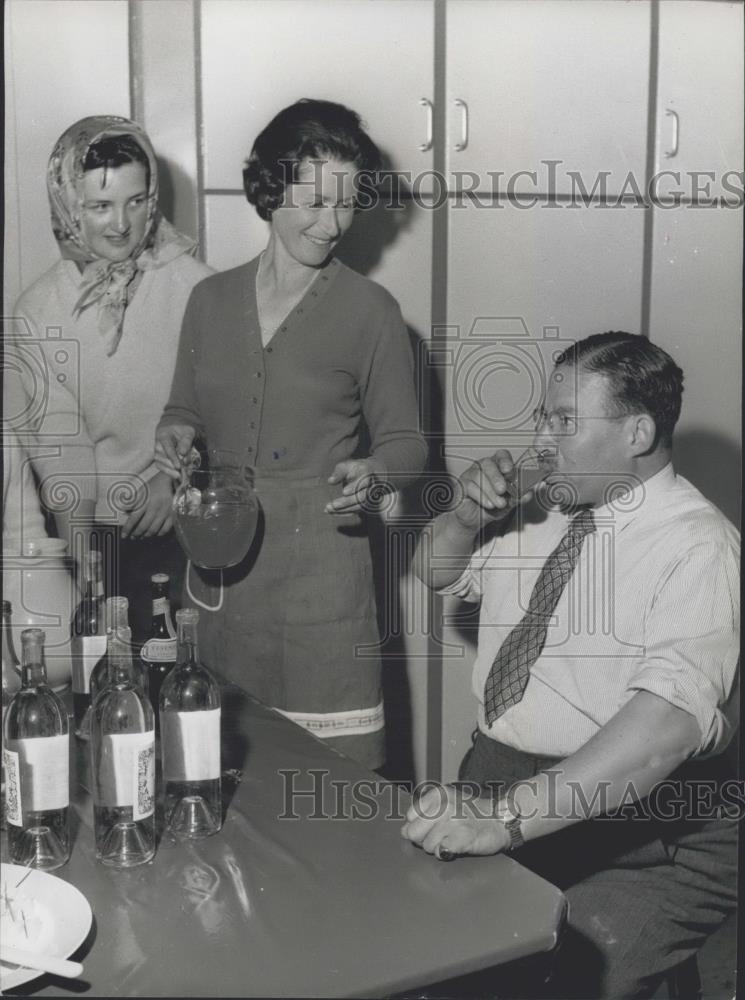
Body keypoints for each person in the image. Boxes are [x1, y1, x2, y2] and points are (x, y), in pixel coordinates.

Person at [402, 332, 739, 998]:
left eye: (563, 422)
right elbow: (429, 569)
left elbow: (659, 734)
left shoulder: (700, 547)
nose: (540, 441)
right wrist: (464, 517)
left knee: (551, 983)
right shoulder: (539, 506)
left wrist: (504, 820)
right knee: (421, 959)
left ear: (637, 433)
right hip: (505, 784)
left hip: (649, 836)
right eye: (541, 419)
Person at [155, 99, 426, 769]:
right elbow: (182, 408)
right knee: (218, 770)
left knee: (332, 790)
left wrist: (377, 472)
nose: (331, 223)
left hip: (322, 581)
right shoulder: (208, 302)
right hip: (222, 571)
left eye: (346, 204)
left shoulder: (372, 312)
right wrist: (175, 435)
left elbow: (407, 443)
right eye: (312, 200)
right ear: (271, 187)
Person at [11, 115, 213, 642]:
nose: (121, 224)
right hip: (94, 534)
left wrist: (177, 480)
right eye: (100, 206)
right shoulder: (37, 311)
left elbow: (227, 406)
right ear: (67, 205)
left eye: (137, 200)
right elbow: (64, 456)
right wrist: (87, 581)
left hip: (191, 516)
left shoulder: (200, 288)